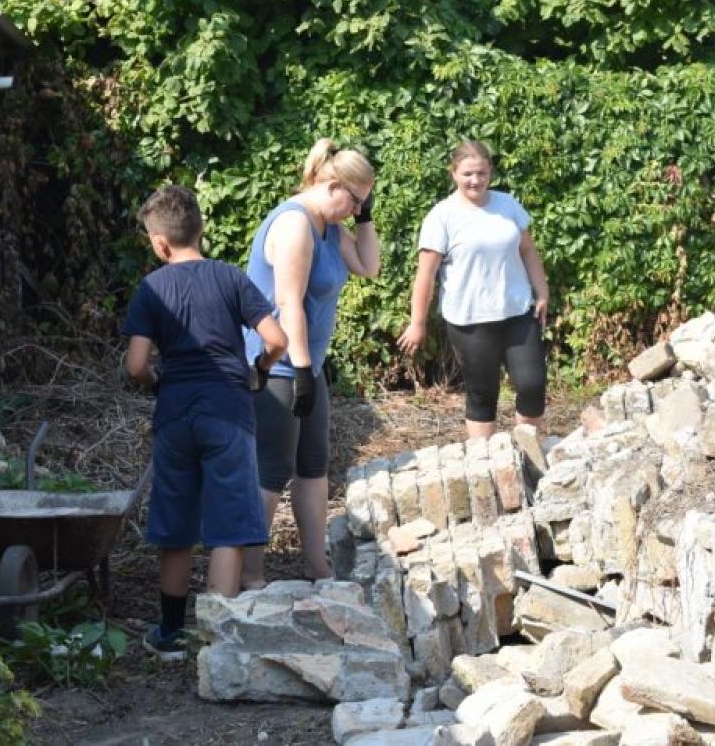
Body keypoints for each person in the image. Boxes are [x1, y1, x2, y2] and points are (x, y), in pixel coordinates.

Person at [122, 185, 287, 660]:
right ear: (201, 230)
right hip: (229, 411)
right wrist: (259, 369)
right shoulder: (230, 277)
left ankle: (171, 634)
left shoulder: (152, 288)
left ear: (160, 243)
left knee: (175, 522)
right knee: (229, 523)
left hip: (175, 413)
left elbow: (136, 365)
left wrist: (156, 381)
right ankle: (216, 639)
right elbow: (276, 340)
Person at [242, 139, 380, 587]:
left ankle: (316, 565)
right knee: (271, 469)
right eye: (355, 201)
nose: (354, 210)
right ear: (333, 185)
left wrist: (366, 217)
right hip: (276, 364)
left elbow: (369, 266)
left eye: (362, 204)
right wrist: (300, 370)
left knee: (313, 464)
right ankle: (250, 574)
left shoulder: (331, 228)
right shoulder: (295, 225)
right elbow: (288, 303)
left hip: (307, 364)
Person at [397, 140, 550, 439]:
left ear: (490, 171)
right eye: (467, 174)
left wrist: (542, 291)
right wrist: (417, 323)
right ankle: (487, 459)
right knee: (482, 393)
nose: (475, 180)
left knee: (532, 385)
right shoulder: (442, 216)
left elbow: (528, 250)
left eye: (481, 173)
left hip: (517, 310)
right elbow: (425, 275)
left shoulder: (507, 205)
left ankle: (529, 453)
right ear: (453, 173)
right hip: (469, 320)